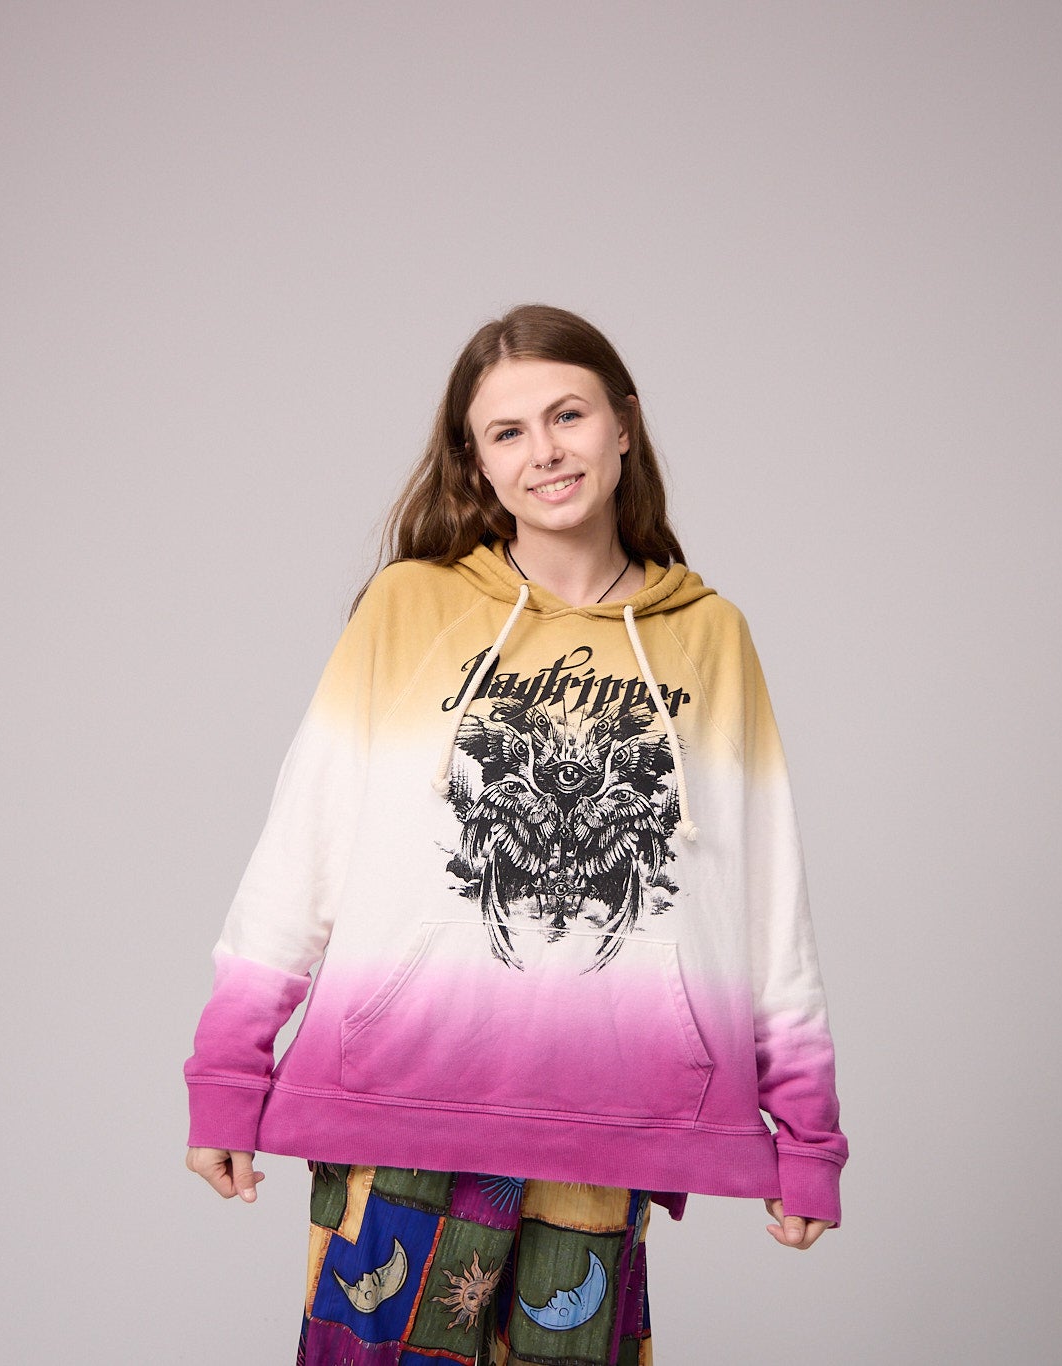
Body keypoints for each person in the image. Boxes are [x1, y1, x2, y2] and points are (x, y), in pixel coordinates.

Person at [184, 303, 849, 1364]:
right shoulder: (408, 608)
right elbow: (302, 847)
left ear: (622, 423)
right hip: (397, 1103)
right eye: (508, 431)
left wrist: (807, 1130)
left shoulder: (710, 636)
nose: (544, 450)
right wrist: (229, 1072)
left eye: (566, 415)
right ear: (477, 462)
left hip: (608, 1117)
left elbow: (767, 897)